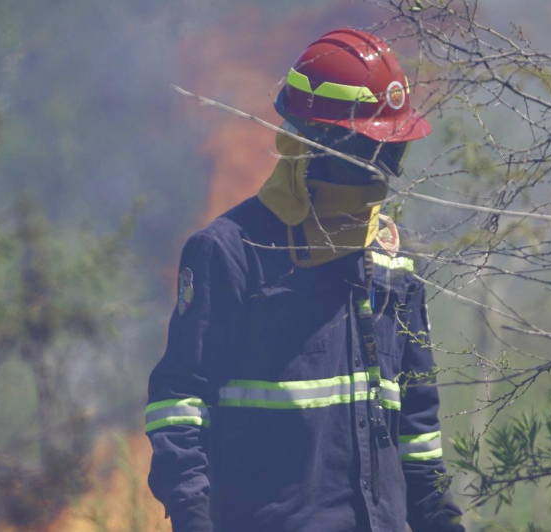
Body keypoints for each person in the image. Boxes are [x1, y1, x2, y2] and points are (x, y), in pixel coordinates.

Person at [145, 28, 465, 532]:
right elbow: (178, 406)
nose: (381, 171)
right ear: (314, 146)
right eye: (367, 152)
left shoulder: (393, 261)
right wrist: (193, 517)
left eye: (390, 154)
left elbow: (419, 430)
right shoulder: (229, 254)